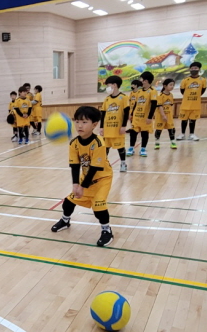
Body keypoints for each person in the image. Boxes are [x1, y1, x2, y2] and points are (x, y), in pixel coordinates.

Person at [51, 106, 114, 247]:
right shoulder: (74, 143)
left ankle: (107, 230)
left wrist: (82, 186)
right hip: (86, 178)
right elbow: (74, 165)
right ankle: (65, 220)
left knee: (99, 207)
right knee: (68, 202)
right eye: (77, 121)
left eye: (84, 122)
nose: (80, 125)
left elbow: (95, 168)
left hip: (102, 179)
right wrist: (75, 184)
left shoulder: (99, 143)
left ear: (94, 124)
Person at [100, 76, 130, 172]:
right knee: (105, 148)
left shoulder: (123, 97)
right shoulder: (107, 99)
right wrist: (101, 127)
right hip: (107, 128)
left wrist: (124, 126)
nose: (107, 88)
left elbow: (126, 113)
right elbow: (103, 113)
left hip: (118, 128)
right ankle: (104, 164)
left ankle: (123, 163)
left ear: (115, 85)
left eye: (108, 85)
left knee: (120, 147)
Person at [127, 71, 157, 158]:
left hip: (145, 117)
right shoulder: (139, 91)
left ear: (146, 81)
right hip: (136, 116)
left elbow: (154, 105)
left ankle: (143, 149)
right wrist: (131, 114)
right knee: (133, 132)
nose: (140, 81)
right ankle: (131, 148)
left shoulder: (152, 91)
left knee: (144, 133)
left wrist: (150, 117)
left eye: (141, 79)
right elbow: (136, 104)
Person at [177, 61, 207, 141]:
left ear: (199, 69)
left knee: (193, 120)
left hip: (195, 105)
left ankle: (192, 134)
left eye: (195, 68)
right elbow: (182, 91)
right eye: (192, 68)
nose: (194, 70)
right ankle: (182, 134)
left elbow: (202, 91)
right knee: (184, 120)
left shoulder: (203, 80)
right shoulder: (185, 80)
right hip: (185, 104)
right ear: (190, 69)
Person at [154, 78, 177, 149]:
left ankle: (173, 142)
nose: (172, 86)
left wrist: (170, 115)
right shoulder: (160, 96)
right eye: (170, 85)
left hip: (169, 115)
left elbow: (171, 105)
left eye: (173, 85)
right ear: (165, 86)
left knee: (171, 129)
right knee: (159, 130)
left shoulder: (171, 95)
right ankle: (157, 143)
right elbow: (159, 106)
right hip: (160, 116)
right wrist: (163, 115)